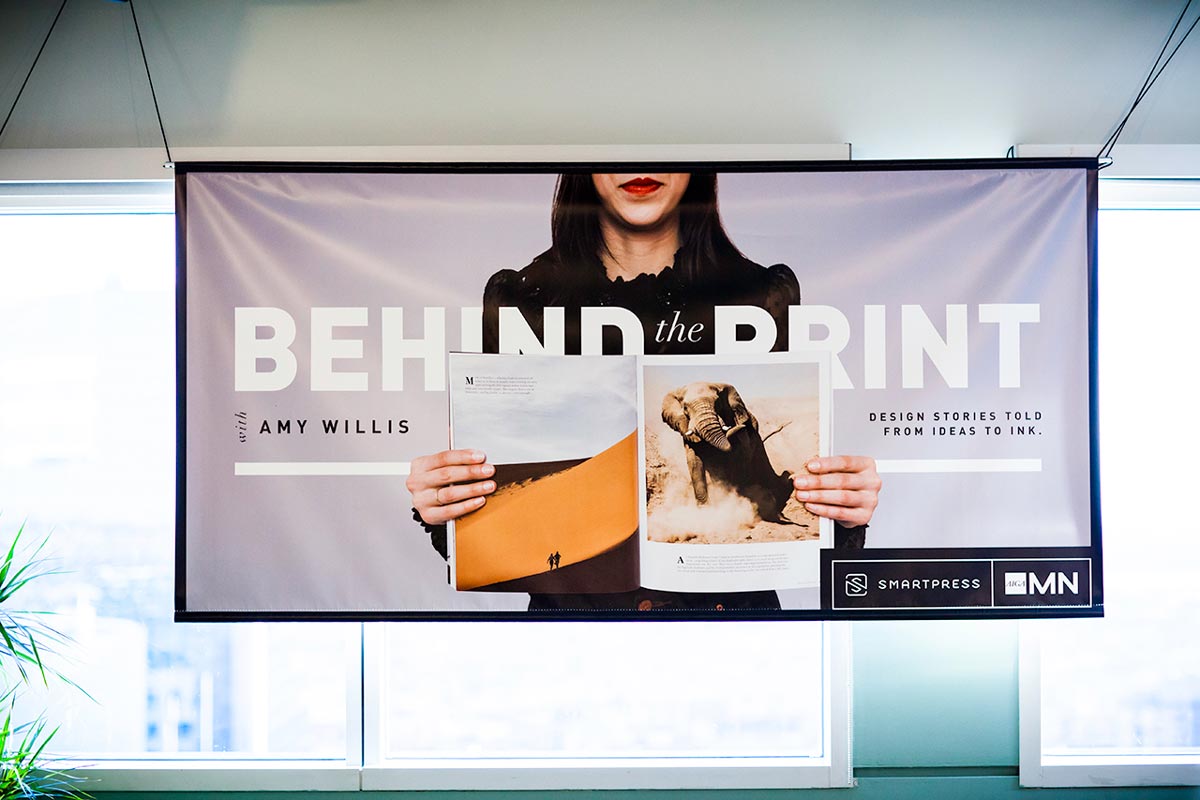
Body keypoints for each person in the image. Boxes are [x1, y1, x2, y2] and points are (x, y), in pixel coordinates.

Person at [407, 172, 880, 610]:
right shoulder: (522, 302)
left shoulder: (761, 295)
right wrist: (448, 507)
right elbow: (508, 515)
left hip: (735, 637)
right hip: (569, 642)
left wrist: (842, 511)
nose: (640, 161)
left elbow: (774, 495)